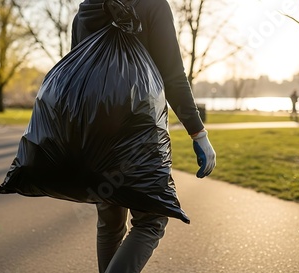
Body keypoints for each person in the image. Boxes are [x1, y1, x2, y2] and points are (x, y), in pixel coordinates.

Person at [71, 0, 216, 272]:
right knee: (152, 218)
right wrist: (198, 133)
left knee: (110, 223)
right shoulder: (152, 5)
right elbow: (173, 76)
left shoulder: (86, 8)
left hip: (95, 135)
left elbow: (76, 76)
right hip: (140, 134)